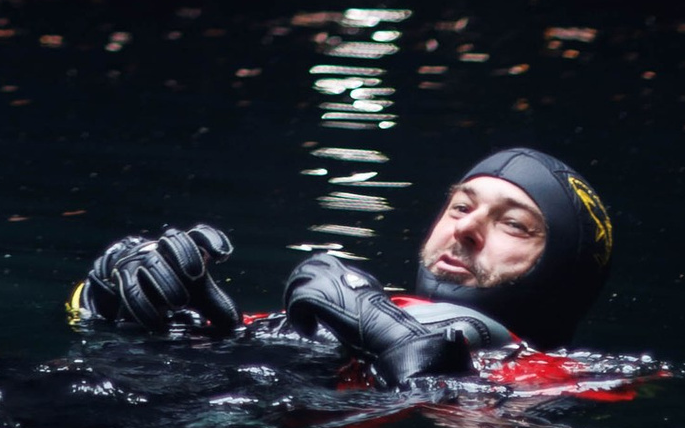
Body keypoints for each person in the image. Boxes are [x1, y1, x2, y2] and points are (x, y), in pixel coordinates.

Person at [69, 146, 615, 387]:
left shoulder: (570, 381)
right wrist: (115, 306)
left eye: (514, 224)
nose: (467, 228)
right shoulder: (342, 307)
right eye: (462, 206)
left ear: (563, 274)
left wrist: (400, 343)